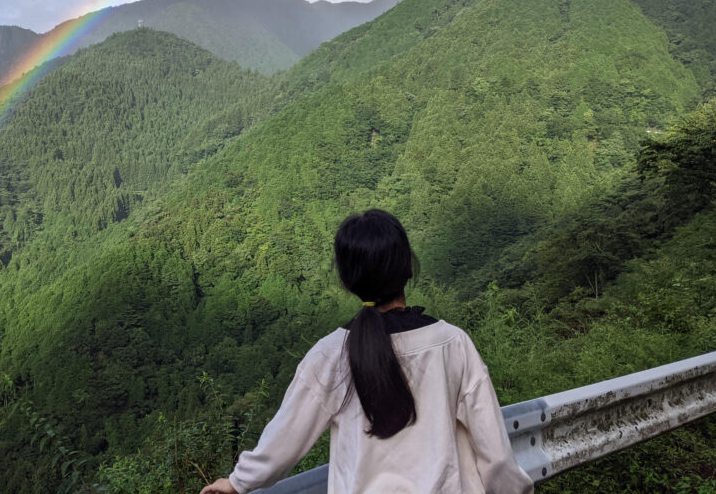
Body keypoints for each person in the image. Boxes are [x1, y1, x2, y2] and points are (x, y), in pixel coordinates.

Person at [199, 209, 534, 494]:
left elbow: (284, 441)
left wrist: (237, 483)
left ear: (349, 280)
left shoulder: (330, 355)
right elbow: (496, 455)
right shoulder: (452, 344)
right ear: (407, 267)